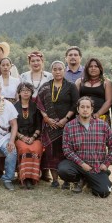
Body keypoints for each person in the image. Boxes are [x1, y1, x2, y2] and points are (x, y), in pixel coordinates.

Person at [59, 96, 112, 197]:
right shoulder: (69, 126)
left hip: (96, 167)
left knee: (103, 193)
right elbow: (67, 149)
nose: (85, 109)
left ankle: (93, 179)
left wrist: (106, 163)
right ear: (78, 109)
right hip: (78, 165)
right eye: (82, 107)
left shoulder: (103, 125)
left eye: (88, 107)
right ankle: (80, 179)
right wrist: (82, 164)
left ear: (92, 109)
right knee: (63, 170)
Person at [37, 60, 79, 189]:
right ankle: (55, 180)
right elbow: (39, 103)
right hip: (50, 126)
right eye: (55, 69)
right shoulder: (45, 86)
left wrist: (65, 119)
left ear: (64, 70)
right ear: (52, 71)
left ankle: (66, 180)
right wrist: (46, 118)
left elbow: (75, 104)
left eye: (60, 69)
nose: (57, 71)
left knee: (66, 152)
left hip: (67, 125)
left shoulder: (71, 86)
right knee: (51, 152)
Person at [14, 82, 43, 189]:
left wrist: (33, 137)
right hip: (19, 137)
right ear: (19, 93)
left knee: (35, 148)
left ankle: (32, 178)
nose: (25, 92)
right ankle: (24, 178)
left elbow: (39, 126)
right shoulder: (14, 107)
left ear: (31, 92)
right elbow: (12, 126)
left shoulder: (36, 107)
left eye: (28, 90)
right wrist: (22, 137)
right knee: (24, 149)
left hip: (34, 137)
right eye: (23, 90)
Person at [75, 58, 112, 122]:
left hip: (101, 117)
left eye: (96, 66)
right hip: (82, 116)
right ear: (87, 69)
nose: (93, 68)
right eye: (90, 66)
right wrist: (83, 114)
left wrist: (97, 114)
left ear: (100, 69)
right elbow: (75, 100)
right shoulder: (79, 82)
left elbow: (109, 101)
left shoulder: (107, 82)